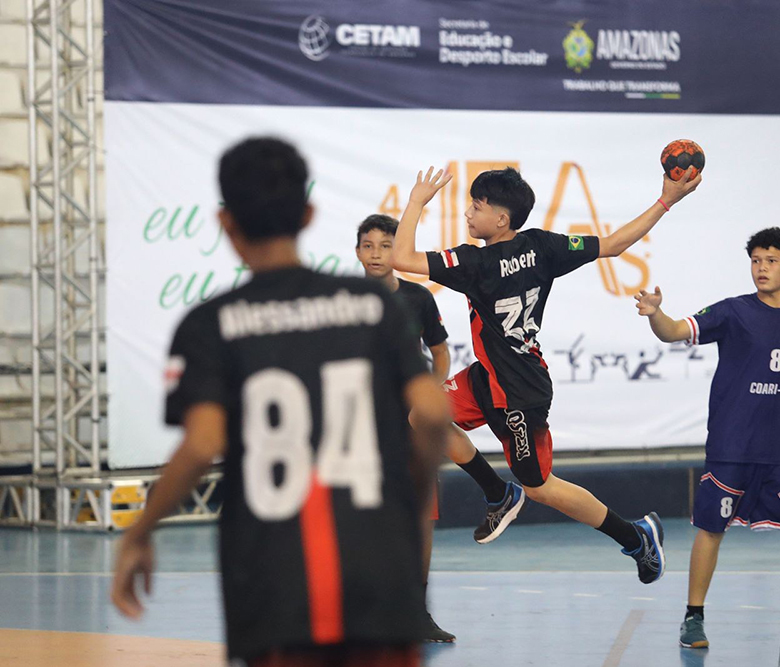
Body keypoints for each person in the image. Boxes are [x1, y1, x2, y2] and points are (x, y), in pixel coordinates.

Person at [111, 137, 452, 667]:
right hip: (379, 576)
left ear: (226, 222)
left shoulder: (210, 325)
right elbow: (433, 413)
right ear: (309, 214)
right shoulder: (371, 306)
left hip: (276, 583)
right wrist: (412, 486)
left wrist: (141, 530)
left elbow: (201, 446)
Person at [391, 164, 701, 583]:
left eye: (476, 206)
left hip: (520, 393)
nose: (467, 212)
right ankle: (497, 492)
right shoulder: (541, 247)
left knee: (540, 486)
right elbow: (612, 245)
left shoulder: (473, 262)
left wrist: (415, 202)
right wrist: (666, 201)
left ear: (501, 219)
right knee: (421, 415)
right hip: (490, 375)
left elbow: (401, 258)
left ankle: (636, 536)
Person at [634, 227, 780, 649]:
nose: (761, 268)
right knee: (711, 529)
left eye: (771, 260)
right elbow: (673, 331)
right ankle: (693, 618)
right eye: (756, 260)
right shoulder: (733, 311)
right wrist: (654, 314)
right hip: (731, 445)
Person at [355, 213, 455, 643]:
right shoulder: (344, 300)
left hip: (409, 429)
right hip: (359, 429)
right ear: (357, 251)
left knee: (420, 519)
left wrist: (428, 399)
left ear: (397, 250)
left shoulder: (417, 298)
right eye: (368, 245)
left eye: (384, 245)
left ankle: (417, 609)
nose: (376, 254)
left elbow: (441, 353)